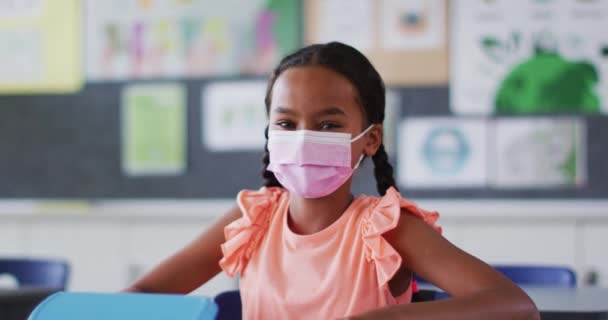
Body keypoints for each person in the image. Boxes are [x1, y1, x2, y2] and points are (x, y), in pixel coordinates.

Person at [126, 42, 539, 320]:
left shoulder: (385, 229)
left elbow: (515, 305)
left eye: (328, 124)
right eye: (286, 123)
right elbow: (146, 294)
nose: (304, 137)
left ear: (370, 139)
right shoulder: (251, 219)